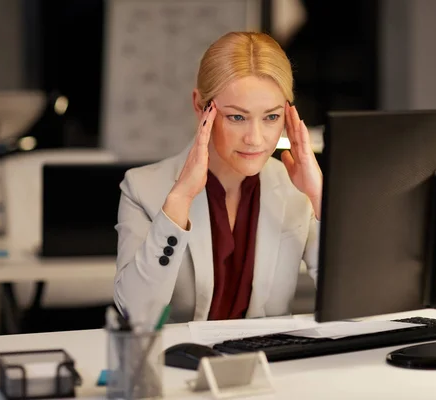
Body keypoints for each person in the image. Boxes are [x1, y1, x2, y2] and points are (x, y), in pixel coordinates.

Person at [114, 32, 322, 326]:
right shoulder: (142, 187)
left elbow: (356, 300)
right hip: (179, 364)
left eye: (271, 117)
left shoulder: (296, 190)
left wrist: (321, 197)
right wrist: (178, 202)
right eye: (237, 117)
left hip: (271, 364)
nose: (256, 139)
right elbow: (136, 313)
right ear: (200, 106)